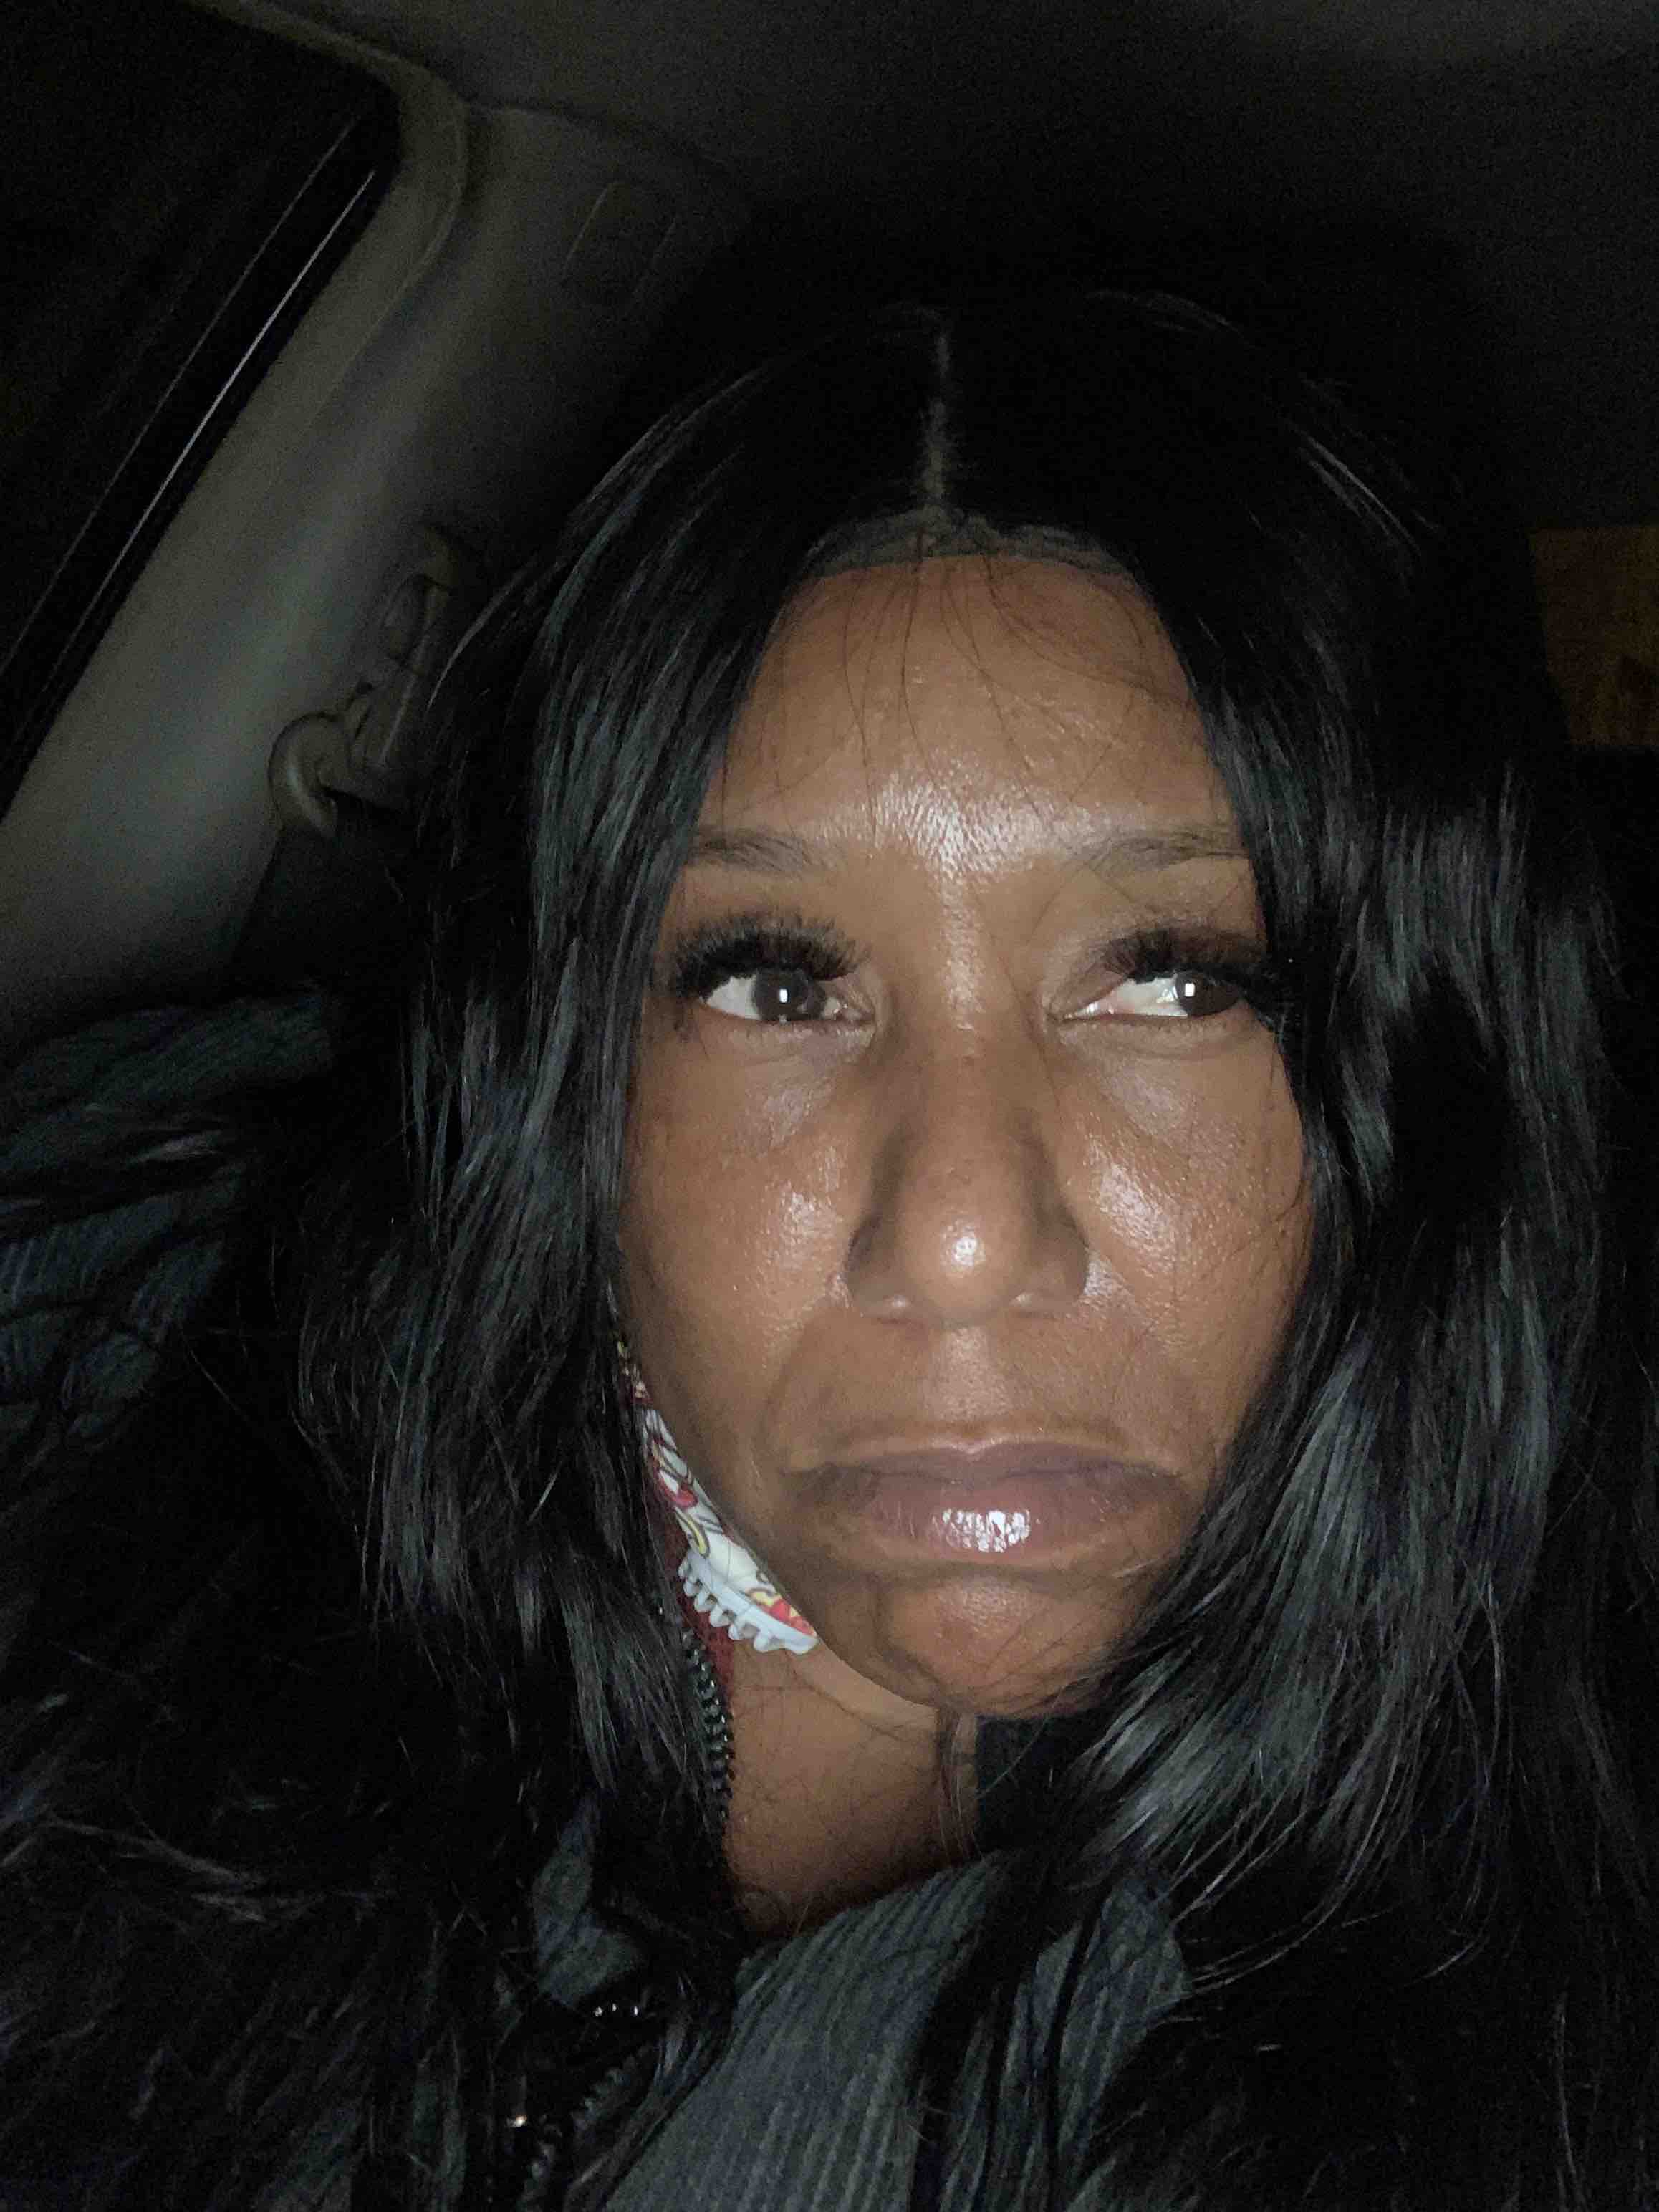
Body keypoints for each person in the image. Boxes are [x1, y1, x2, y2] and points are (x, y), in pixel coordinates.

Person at [0, 286, 1653, 2212]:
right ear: (565, 1060)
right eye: (774, 982)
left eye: (1176, 978)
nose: (955, 1237)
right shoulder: (122, 1319)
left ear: (1423, 1076)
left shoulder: (1555, 1951)